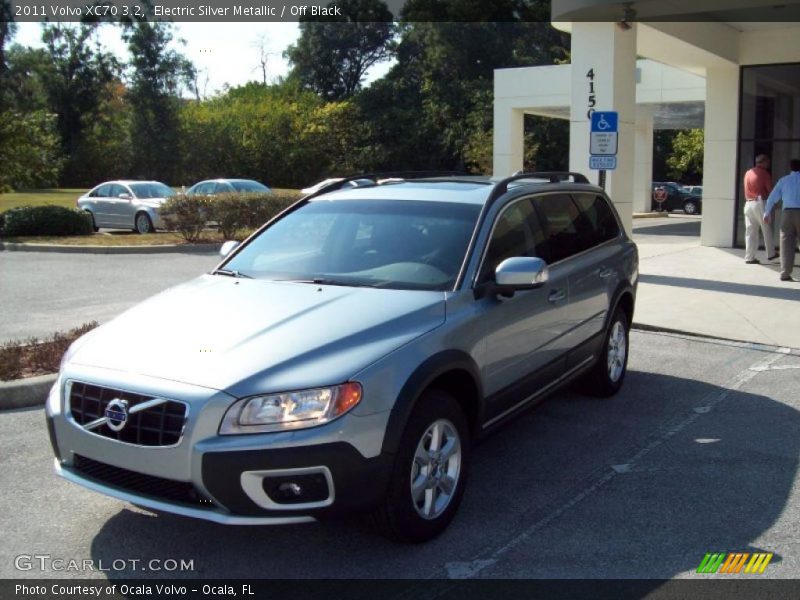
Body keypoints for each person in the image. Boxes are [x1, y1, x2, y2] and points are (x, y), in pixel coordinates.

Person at [764, 158, 800, 282]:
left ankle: (785, 273)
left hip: (787, 213)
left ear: (790, 168)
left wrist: (766, 212)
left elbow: (772, 198)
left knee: (786, 244)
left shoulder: (783, 181)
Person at [743, 154, 777, 264]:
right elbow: (770, 190)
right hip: (760, 202)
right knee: (766, 228)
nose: (768, 164)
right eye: (767, 162)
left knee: (750, 231)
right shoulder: (765, 174)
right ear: (763, 162)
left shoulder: (748, 173)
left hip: (748, 203)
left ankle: (749, 257)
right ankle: (771, 253)